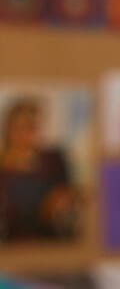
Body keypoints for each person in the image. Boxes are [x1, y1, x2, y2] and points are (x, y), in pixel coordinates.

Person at [0, 97, 78, 242]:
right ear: (9, 129)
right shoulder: (3, 166)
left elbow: (69, 194)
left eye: (32, 127)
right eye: (20, 127)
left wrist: (62, 202)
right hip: (12, 241)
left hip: (51, 238)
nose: (25, 133)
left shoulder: (54, 159)